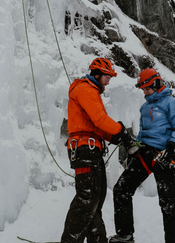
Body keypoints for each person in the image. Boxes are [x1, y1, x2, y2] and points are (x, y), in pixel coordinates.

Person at [109, 68, 175, 243]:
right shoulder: (145, 107)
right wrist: (134, 148)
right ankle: (125, 235)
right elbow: (143, 132)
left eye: (146, 88)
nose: (144, 92)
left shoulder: (171, 102)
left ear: (156, 83)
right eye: (142, 89)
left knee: (169, 203)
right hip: (145, 154)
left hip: (164, 157)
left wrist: (173, 147)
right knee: (121, 189)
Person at [61, 57, 132, 243]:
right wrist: (120, 131)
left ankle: (97, 239)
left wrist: (114, 136)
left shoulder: (91, 91)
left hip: (92, 149)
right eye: (107, 77)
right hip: (85, 149)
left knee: (96, 199)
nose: (109, 81)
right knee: (87, 199)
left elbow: (96, 125)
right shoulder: (85, 89)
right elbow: (100, 119)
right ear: (97, 74)